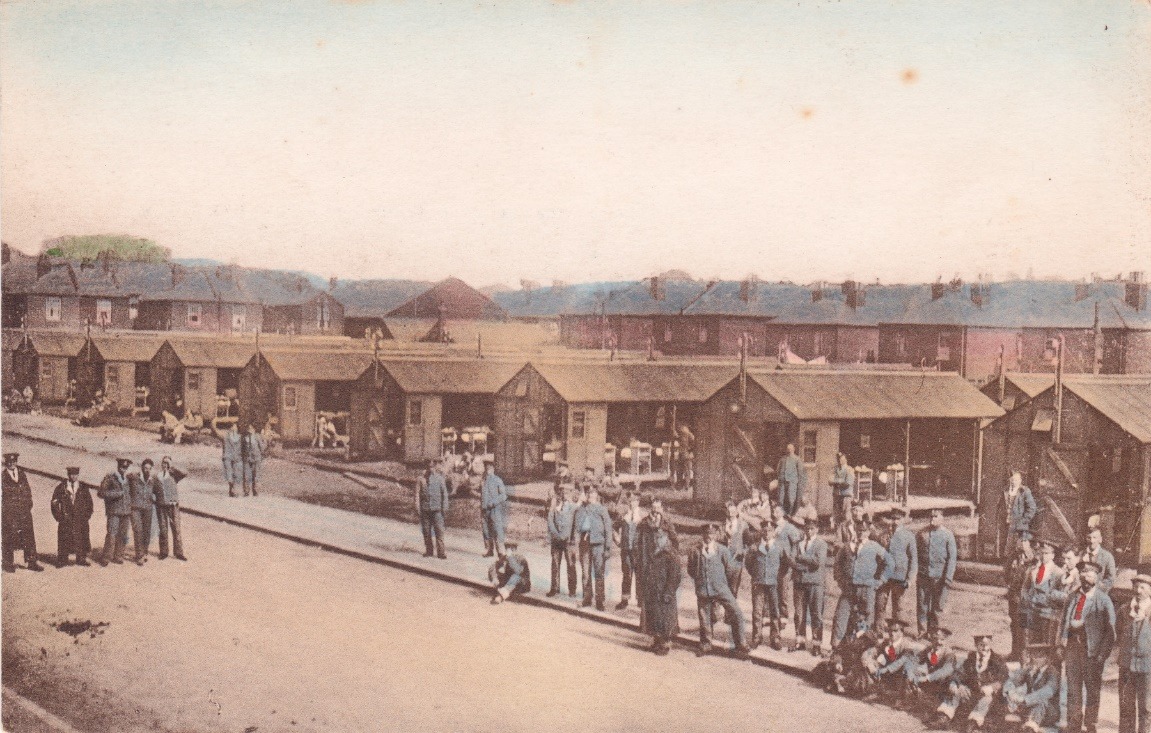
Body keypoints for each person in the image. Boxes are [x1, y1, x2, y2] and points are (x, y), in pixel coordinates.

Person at [1060, 559, 1117, 733]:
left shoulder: (1103, 600)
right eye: (1083, 574)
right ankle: (1074, 725)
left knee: (1092, 691)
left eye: (1090, 574)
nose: (1086, 577)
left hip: (1092, 653)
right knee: (1073, 689)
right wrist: (1060, 643)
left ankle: (1091, 725)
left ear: (1097, 577)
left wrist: (1102, 656)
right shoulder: (1073, 597)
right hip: (1072, 650)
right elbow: (1063, 622)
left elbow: (1111, 632)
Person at [688, 523, 749, 658]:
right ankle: (706, 644)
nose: (709, 537)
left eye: (712, 534)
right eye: (707, 534)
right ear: (703, 535)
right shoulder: (695, 551)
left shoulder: (722, 550)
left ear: (715, 535)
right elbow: (691, 570)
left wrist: (722, 583)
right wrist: (700, 581)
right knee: (705, 617)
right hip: (703, 588)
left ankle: (740, 644)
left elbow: (731, 570)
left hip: (721, 588)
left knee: (736, 612)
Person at [934, 633, 1009, 730]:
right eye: (981, 645)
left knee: (986, 700)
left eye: (987, 645)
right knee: (956, 691)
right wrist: (957, 684)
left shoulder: (997, 660)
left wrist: (992, 687)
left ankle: (974, 722)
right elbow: (959, 673)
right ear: (976, 645)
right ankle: (944, 715)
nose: (985, 648)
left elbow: (1004, 677)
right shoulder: (971, 659)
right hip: (973, 691)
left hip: (989, 694)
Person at [833, 521, 890, 646]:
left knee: (867, 618)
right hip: (849, 588)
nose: (860, 533)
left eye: (863, 531)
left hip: (867, 589)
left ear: (868, 532)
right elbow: (837, 564)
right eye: (858, 530)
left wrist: (880, 581)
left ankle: (865, 646)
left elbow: (890, 562)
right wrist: (840, 581)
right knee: (840, 616)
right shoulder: (847, 546)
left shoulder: (874, 546)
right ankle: (836, 647)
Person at [744, 523, 788, 650]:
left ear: (774, 532)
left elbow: (785, 565)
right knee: (757, 612)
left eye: (770, 530)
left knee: (775, 611)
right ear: (761, 532)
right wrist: (757, 575)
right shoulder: (754, 547)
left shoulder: (779, 547)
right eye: (764, 530)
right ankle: (756, 637)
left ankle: (775, 637)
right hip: (759, 583)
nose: (767, 533)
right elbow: (748, 564)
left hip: (774, 583)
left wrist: (777, 577)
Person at [1002, 644, 1061, 733]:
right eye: (1033, 656)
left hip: (1049, 711)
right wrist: (1010, 692)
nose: (1035, 659)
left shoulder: (1052, 672)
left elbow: (1048, 690)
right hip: (1030, 706)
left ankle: (1030, 727)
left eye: (1040, 656)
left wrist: (1025, 699)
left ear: (1047, 658)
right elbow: (1013, 679)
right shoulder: (1030, 670)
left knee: (1041, 700)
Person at [916, 508, 957, 636]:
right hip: (923, 576)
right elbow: (915, 553)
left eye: (936, 516)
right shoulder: (921, 533)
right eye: (931, 516)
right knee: (922, 605)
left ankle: (933, 633)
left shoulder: (948, 535)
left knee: (937, 607)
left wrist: (948, 578)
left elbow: (952, 558)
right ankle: (922, 631)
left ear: (942, 518)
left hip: (939, 578)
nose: (932, 519)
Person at [1119, 572, 1151, 733]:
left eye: (1143, 587)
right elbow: (1116, 632)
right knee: (1126, 705)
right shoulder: (1125, 609)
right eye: (1136, 587)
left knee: (1146, 707)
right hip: (1126, 664)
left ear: (1150, 591)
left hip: (1147, 666)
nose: (1138, 591)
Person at [792, 515, 828, 655]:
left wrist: (801, 559)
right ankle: (800, 640)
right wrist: (802, 565)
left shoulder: (821, 544)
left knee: (816, 614)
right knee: (799, 613)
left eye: (812, 529)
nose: (809, 531)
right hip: (799, 582)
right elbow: (792, 558)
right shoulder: (798, 543)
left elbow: (817, 562)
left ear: (817, 530)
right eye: (807, 529)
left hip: (815, 583)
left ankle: (816, 644)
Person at [2, 452, 44, 573]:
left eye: (14, 462)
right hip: (10, 512)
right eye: (9, 462)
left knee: (28, 536)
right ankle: (7, 563)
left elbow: (27, 490)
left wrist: (28, 504)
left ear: (16, 462)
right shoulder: (3, 476)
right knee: (9, 536)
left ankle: (32, 561)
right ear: (6, 463)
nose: (11, 464)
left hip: (24, 511)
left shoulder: (22, 474)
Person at [901, 627, 958, 714]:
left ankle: (930, 704)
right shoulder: (929, 649)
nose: (939, 642)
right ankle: (909, 700)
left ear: (946, 640)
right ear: (931, 639)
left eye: (942, 640)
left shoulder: (949, 654)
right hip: (932, 681)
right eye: (935, 639)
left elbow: (946, 670)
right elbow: (916, 659)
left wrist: (928, 677)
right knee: (910, 673)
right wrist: (910, 670)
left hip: (944, 683)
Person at [573, 487, 612, 611]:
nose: (591, 496)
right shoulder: (581, 509)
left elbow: (608, 529)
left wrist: (607, 548)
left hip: (598, 545)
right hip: (584, 545)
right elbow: (577, 527)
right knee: (585, 573)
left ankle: (600, 601)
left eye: (593, 493)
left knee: (599, 573)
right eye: (589, 494)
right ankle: (587, 598)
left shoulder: (602, 509)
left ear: (597, 495)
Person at [877, 507, 918, 626]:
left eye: (898, 519)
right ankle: (879, 629)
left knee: (898, 606)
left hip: (900, 576)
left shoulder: (909, 536)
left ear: (903, 520)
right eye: (892, 518)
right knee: (880, 604)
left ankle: (897, 630)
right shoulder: (883, 535)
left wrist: (910, 578)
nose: (895, 522)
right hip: (884, 576)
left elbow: (913, 559)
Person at [644, 528, 681, 655]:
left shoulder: (671, 554)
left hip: (665, 592)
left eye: (660, 538)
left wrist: (669, 592)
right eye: (655, 538)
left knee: (666, 619)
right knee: (656, 617)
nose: (657, 541)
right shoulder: (655, 552)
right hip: (655, 590)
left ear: (667, 539)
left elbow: (675, 576)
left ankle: (665, 644)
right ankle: (657, 640)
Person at [1021, 539, 1063, 646]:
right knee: (1031, 643)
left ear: (1053, 555)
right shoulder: (1033, 569)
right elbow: (1025, 587)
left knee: (1047, 644)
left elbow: (1062, 595)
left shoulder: (1058, 572)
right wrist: (1027, 601)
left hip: (1048, 614)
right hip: (1032, 611)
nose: (1044, 556)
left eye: (1047, 553)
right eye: (1042, 553)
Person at [50, 466, 93, 566]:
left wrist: (86, 516)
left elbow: (89, 503)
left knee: (82, 537)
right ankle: (62, 559)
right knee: (64, 538)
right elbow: (54, 502)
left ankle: (81, 558)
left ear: (78, 475)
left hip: (80, 518)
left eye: (75, 474)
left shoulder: (83, 487)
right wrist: (59, 516)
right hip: (66, 518)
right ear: (68, 475)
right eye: (71, 474)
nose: (73, 477)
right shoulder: (61, 487)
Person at [864, 619, 915, 702]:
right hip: (888, 674)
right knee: (869, 663)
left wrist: (887, 669)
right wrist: (868, 660)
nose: (892, 633)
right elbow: (873, 651)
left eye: (895, 631)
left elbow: (902, 661)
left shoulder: (907, 644)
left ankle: (903, 698)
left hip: (901, 675)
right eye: (890, 631)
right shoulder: (886, 643)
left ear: (901, 633)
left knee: (907, 667)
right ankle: (876, 690)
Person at [97, 458, 133, 566]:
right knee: (111, 535)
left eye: (126, 467)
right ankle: (106, 557)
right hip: (114, 511)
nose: (124, 469)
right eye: (122, 467)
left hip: (126, 512)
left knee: (122, 535)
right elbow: (101, 493)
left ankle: (118, 556)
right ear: (118, 466)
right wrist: (117, 493)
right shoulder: (110, 478)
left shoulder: (128, 479)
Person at [1006, 538, 1037, 661]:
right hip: (1013, 596)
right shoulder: (1014, 556)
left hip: (1025, 599)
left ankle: (1024, 655)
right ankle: (1014, 652)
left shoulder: (1033, 557)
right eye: (1019, 540)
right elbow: (1007, 570)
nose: (1020, 543)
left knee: (1024, 628)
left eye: (1024, 540)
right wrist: (1009, 583)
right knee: (1013, 624)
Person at [547, 483, 578, 598]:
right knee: (555, 563)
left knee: (571, 564)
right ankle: (554, 588)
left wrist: (572, 537)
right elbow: (550, 519)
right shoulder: (555, 504)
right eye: (563, 492)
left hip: (569, 540)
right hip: (556, 539)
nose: (565, 495)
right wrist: (555, 533)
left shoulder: (574, 507)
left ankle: (572, 590)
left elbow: (576, 524)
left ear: (571, 493)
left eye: (567, 492)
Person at [152, 456, 186, 560]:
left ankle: (179, 553)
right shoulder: (156, 477)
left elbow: (184, 473)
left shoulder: (174, 475)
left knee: (176, 528)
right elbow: (152, 490)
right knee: (163, 529)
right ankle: (163, 552)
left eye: (167, 464)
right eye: (163, 463)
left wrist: (173, 467)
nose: (165, 465)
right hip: (161, 505)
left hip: (173, 505)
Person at [614, 492, 644, 609]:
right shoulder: (623, 516)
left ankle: (640, 600)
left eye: (635, 501)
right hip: (626, 550)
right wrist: (618, 541)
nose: (632, 504)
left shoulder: (642, 516)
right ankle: (624, 600)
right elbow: (614, 528)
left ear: (638, 502)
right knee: (626, 574)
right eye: (630, 501)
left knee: (639, 575)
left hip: (638, 551)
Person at [417, 459, 449, 559]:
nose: (430, 469)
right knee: (426, 531)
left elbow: (445, 494)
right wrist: (417, 507)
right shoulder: (421, 479)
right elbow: (417, 495)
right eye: (428, 467)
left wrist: (444, 507)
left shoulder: (440, 479)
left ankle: (441, 552)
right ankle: (429, 551)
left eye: (432, 467)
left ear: (435, 467)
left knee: (439, 531)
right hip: (425, 509)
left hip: (437, 510)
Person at [1002, 470, 1038, 559]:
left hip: (1019, 526)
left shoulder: (1024, 491)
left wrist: (1024, 521)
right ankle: (1008, 570)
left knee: (1020, 549)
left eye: (1017, 479)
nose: (1015, 482)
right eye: (1013, 479)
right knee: (1008, 550)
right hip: (1007, 524)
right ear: (1010, 480)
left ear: (1021, 480)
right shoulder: (1006, 491)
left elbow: (1032, 507)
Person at [127, 458, 156, 564]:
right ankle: (139, 556)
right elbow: (123, 482)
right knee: (138, 530)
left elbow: (159, 491)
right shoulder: (134, 477)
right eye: (145, 468)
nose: (147, 470)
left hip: (148, 508)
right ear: (142, 468)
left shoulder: (153, 480)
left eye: (149, 468)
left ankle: (144, 552)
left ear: (151, 469)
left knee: (146, 531)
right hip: (135, 508)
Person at [718, 500, 749, 598]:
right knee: (722, 587)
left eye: (733, 512)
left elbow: (748, 543)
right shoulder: (722, 526)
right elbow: (717, 542)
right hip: (723, 560)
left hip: (736, 560)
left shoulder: (743, 525)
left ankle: (730, 612)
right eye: (728, 512)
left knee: (733, 588)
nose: (731, 514)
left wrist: (743, 552)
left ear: (736, 512)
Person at [479, 459, 508, 558]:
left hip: (494, 509)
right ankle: (489, 550)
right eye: (486, 467)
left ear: (493, 468)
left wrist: (493, 502)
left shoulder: (497, 480)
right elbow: (481, 493)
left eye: (490, 467)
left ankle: (501, 552)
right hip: (484, 509)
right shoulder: (483, 480)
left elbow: (503, 495)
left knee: (497, 530)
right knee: (486, 530)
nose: (488, 469)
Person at [1082, 527, 1117, 595]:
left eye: (1094, 537)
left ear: (1100, 539)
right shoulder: (1081, 554)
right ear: (1085, 539)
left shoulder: (1107, 557)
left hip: (1098, 594)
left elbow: (1110, 580)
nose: (1092, 541)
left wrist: (1096, 587)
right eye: (1089, 538)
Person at [776, 443, 806, 516]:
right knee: (781, 499)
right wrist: (780, 478)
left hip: (792, 482)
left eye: (791, 449)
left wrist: (799, 483)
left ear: (794, 450)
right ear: (786, 450)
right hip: (783, 482)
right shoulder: (783, 459)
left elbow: (801, 473)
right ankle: (782, 515)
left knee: (791, 499)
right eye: (788, 449)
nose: (789, 450)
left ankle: (790, 515)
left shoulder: (797, 459)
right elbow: (778, 470)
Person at [829, 452, 855, 529]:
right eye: (839, 459)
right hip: (837, 495)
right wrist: (840, 480)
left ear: (846, 460)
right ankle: (839, 537)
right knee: (837, 516)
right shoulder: (835, 469)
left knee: (846, 516)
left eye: (842, 459)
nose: (840, 460)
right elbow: (830, 481)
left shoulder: (849, 469)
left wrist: (836, 481)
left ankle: (850, 536)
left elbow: (848, 482)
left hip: (846, 495)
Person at [242, 423, 267, 497]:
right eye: (248, 429)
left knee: (255, 475)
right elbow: (242, 448)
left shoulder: (257, 437)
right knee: (246, 475)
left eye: (251, 429)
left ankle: (255, 491)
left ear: (254, 429)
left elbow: (262, 448)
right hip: (247, 458)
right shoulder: (244, 437)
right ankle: (246, 491)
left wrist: (261, 455)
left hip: (256, 458)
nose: (250, 430)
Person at [222, 423, 243, 497]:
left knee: (236, 474)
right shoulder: (225, 436)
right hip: (227, 456)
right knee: (229, 474)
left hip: (237, 457)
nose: (234, 428)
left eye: (235, 427)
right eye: (232, 427)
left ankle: (233, 489)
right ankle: (232, 487)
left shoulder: (240, 437)